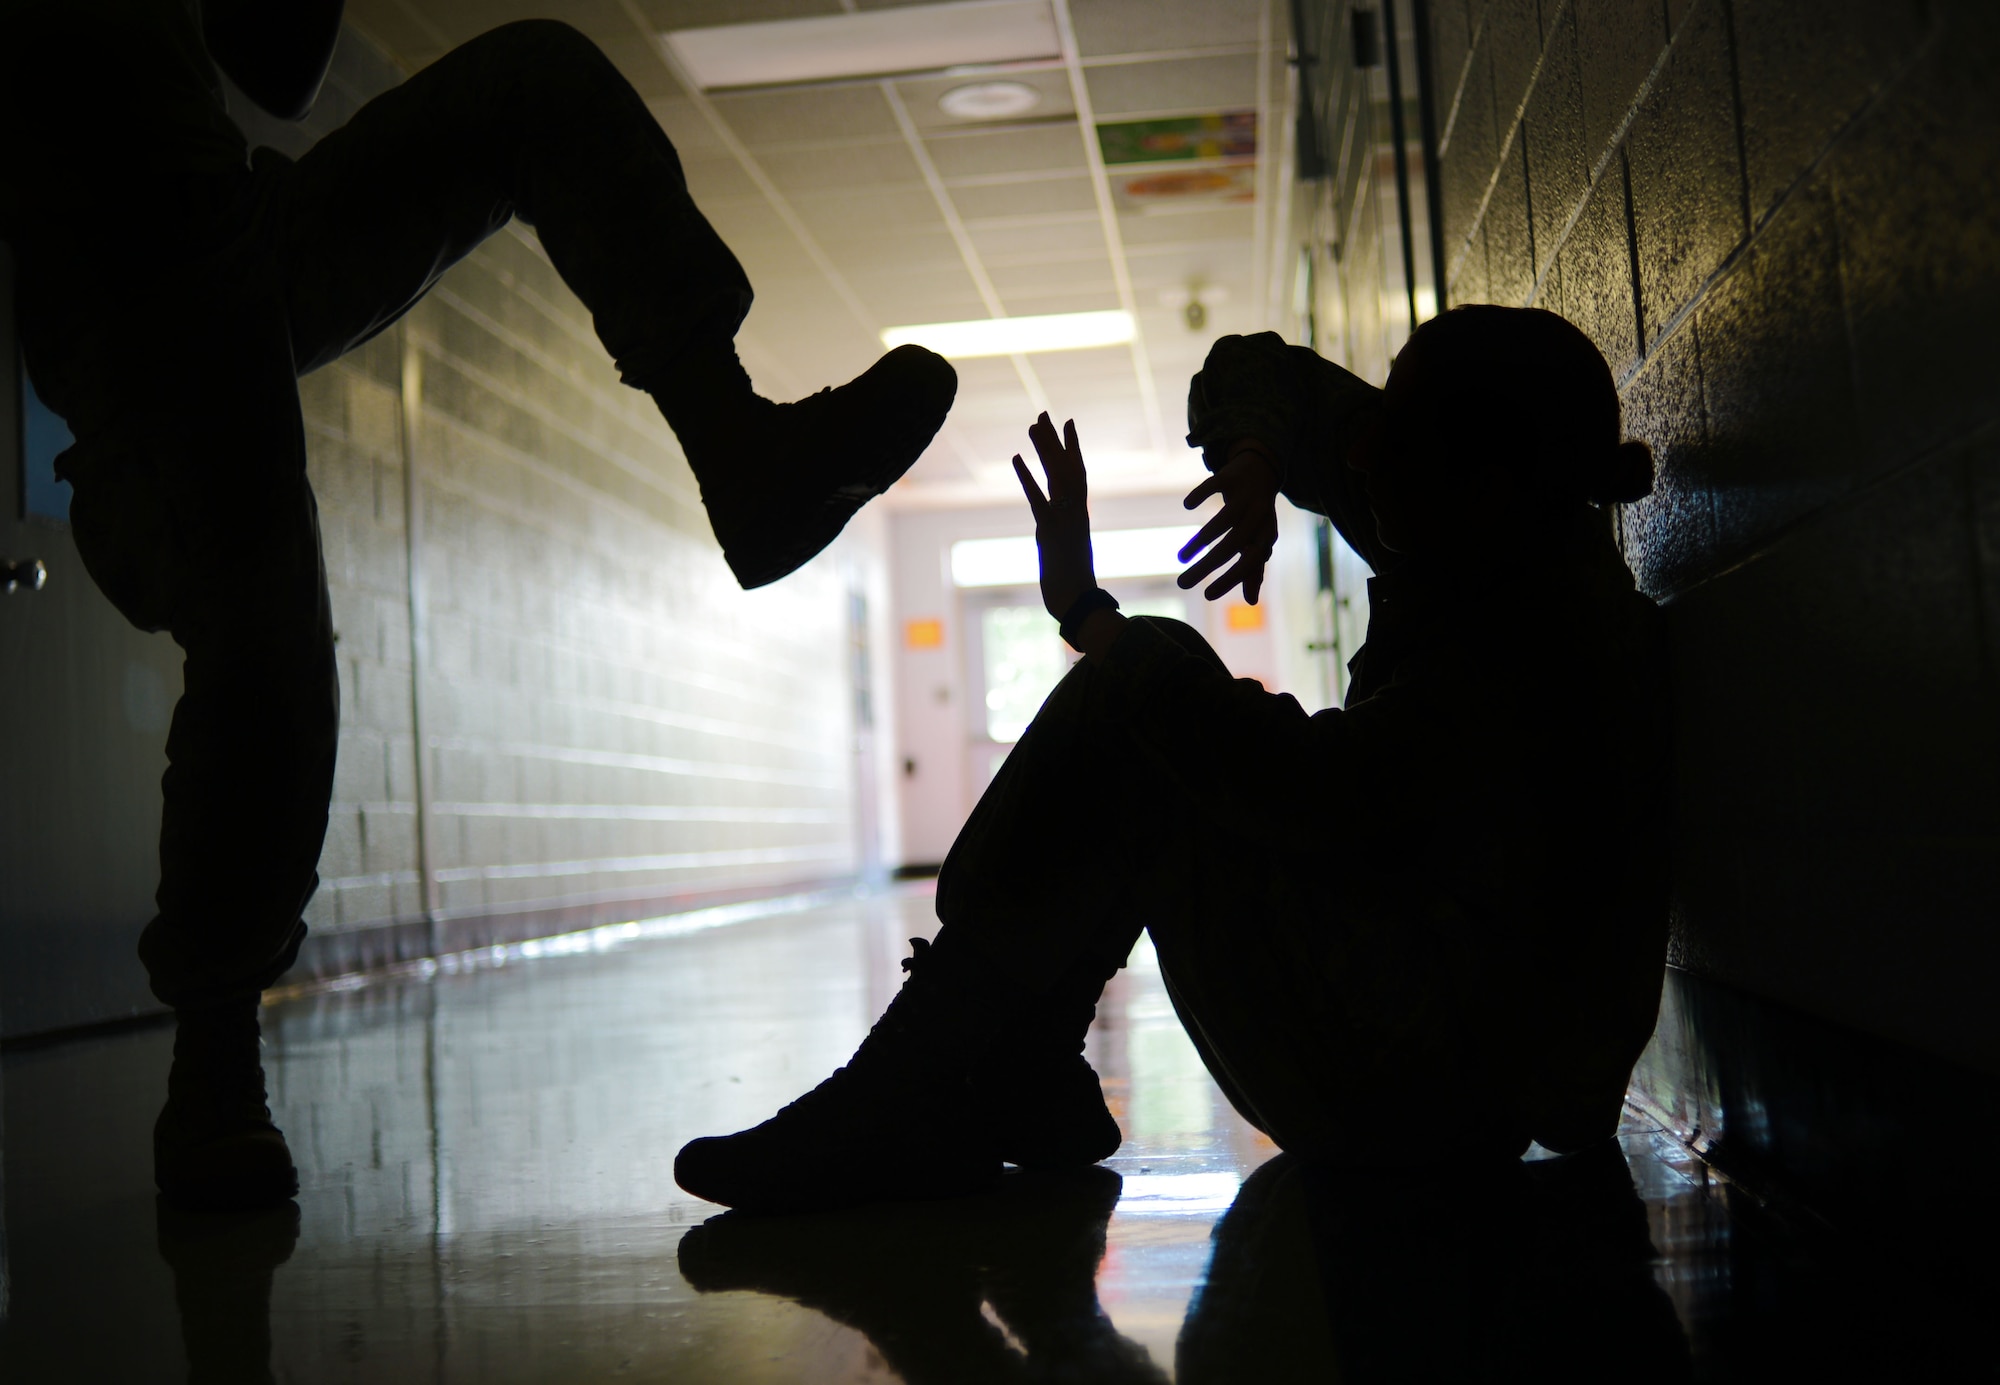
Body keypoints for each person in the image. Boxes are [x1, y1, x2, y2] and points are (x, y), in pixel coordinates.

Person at [0, 1, 956, 1210]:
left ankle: (738, 454)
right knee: (269, 643)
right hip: (123, 278)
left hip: (230, 227)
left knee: (541, 85)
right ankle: (214, 1064)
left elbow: (277, 65)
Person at [674, 306, 1671, 1212]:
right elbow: (1263, 369)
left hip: (1420, 1095)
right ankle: (1006, 1073)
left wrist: (1088, 616)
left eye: (1394, 439)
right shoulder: (1476, 517)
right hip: (1419, 1040)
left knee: (1147, 683)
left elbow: (1303, 790)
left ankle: (905, 1097)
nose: (1359, 453)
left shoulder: (1546, 641)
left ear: (1486, 485)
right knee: (1157, 682)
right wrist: (1251, 457)